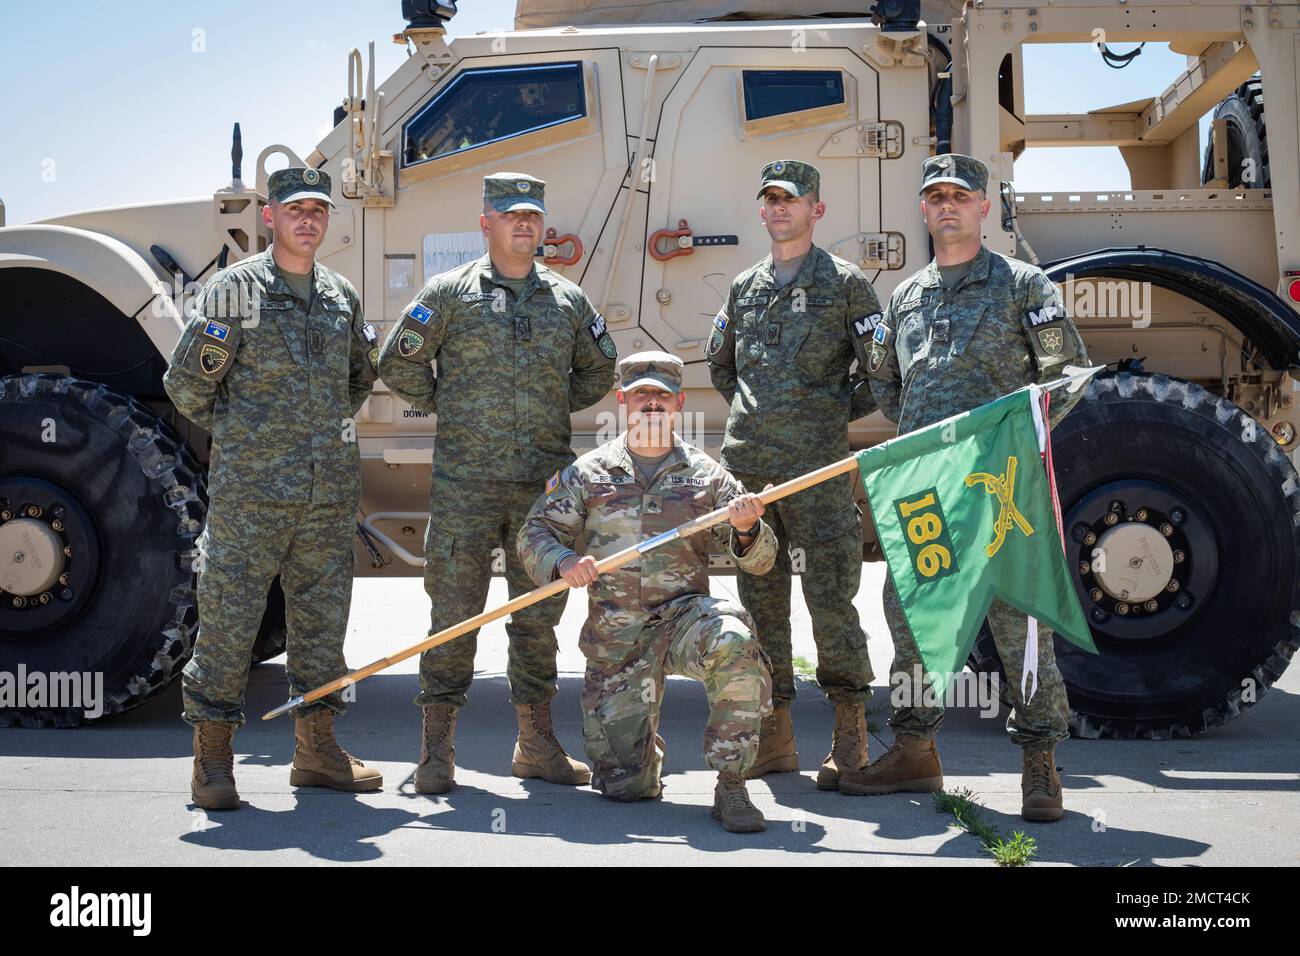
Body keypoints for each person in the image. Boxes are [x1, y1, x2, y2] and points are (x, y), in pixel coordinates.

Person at [841, 153, 1088, 822]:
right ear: (923, 209)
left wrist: (1011, 439)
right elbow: (889, 386)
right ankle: (915, 751)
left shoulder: (1022, 285)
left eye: (961, 195)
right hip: (928, 492)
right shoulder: (907, 296)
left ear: (984, 207)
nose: (947, 205)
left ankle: (1040, 767)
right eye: (936, 195)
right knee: (914, 620)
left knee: (1021, 625)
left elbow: (1066, 378)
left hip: (1004, 491)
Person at [378, 172, 618, 794]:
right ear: (485, 223)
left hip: (542, 488)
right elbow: (398, 359)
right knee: (454, 617)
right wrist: (449, 402)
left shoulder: (567, 301)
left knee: (537, 618)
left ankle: (536, 744)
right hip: (465, 484)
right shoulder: (450, 293)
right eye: (511, 216)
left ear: (543, 225)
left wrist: (549, 403)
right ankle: (436, 751)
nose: (524, 226)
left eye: (533, 217)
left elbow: (598, 369)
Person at [164, 167, 381, 810]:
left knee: (321, 629)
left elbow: (357, 380)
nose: (308, 220)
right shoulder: (236, 291)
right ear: (270, 217)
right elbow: (188, 386)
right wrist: (249, 435)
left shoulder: (340, 295)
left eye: (318, 209)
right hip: (252, 497)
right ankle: (213, 761)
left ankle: (316, 751)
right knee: (230, 624)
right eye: (295, 210)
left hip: (327, 496)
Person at [518, 351, 777, 832]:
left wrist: (746, 529)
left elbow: (761, 562)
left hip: (685, 621)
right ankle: (637, 748)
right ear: (623, 402)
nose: (652, 404)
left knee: (735, 639)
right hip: (619, 635)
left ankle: (732, 783)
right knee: (626, 789)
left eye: (662, 395)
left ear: (679, 402)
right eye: (642, 395)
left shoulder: (707, 475)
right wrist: (565, 561)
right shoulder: (588, 473)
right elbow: (534, 533)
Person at [706, 159, 881, 790]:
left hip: (819, 475)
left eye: (792, 199)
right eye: (770, 198)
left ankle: (849, 737)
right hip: (750, 477)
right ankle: (775, 736)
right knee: (761, 606)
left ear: (817, 210)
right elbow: (723, 368)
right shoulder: (745, 287)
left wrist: (826, 413)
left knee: (832, 602)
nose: (779, 208)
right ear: (761, 210)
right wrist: (765, 417)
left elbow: (879, 373)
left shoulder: (847, 286)